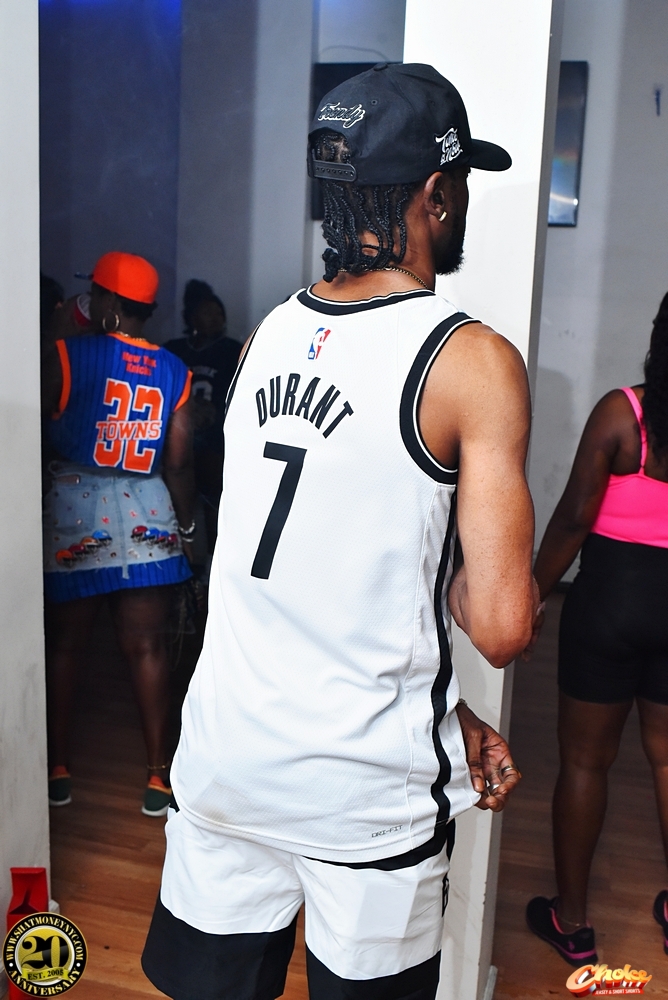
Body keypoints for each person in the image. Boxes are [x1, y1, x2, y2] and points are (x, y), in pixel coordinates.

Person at [142, 64, 536, 1000]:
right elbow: (502, 626)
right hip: (364, 795)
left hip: (226, 762)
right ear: (436, 195)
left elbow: (300, 574)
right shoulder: (470, 360)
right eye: (461, 184)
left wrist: (447, 711)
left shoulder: (266, 335)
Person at [526, 291, 668, 964]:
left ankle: (574, 923)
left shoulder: (623, 413)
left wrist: (530, 594)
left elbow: (573, 519)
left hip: (608, 606)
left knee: (585, 761)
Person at [42, 251, 196, 817]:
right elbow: (179, 461)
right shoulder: (174, 369)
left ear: (106, 302)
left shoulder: (65, 354)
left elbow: (28, 427)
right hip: (147, 507)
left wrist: (63, 326)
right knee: (148, 646)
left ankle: (58, 768)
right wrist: (189, 527)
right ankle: (158, 776)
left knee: (66, 645)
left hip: (76, 508)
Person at [165, 280, 241, 561]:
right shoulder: (175, 350)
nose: (216, 318)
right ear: (192, 318)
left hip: (213, 439)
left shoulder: (231, 350)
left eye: (219, 313)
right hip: (179, 436)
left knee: (214, 498)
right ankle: (181, 556)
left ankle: (212, 562)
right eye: (208, 313)